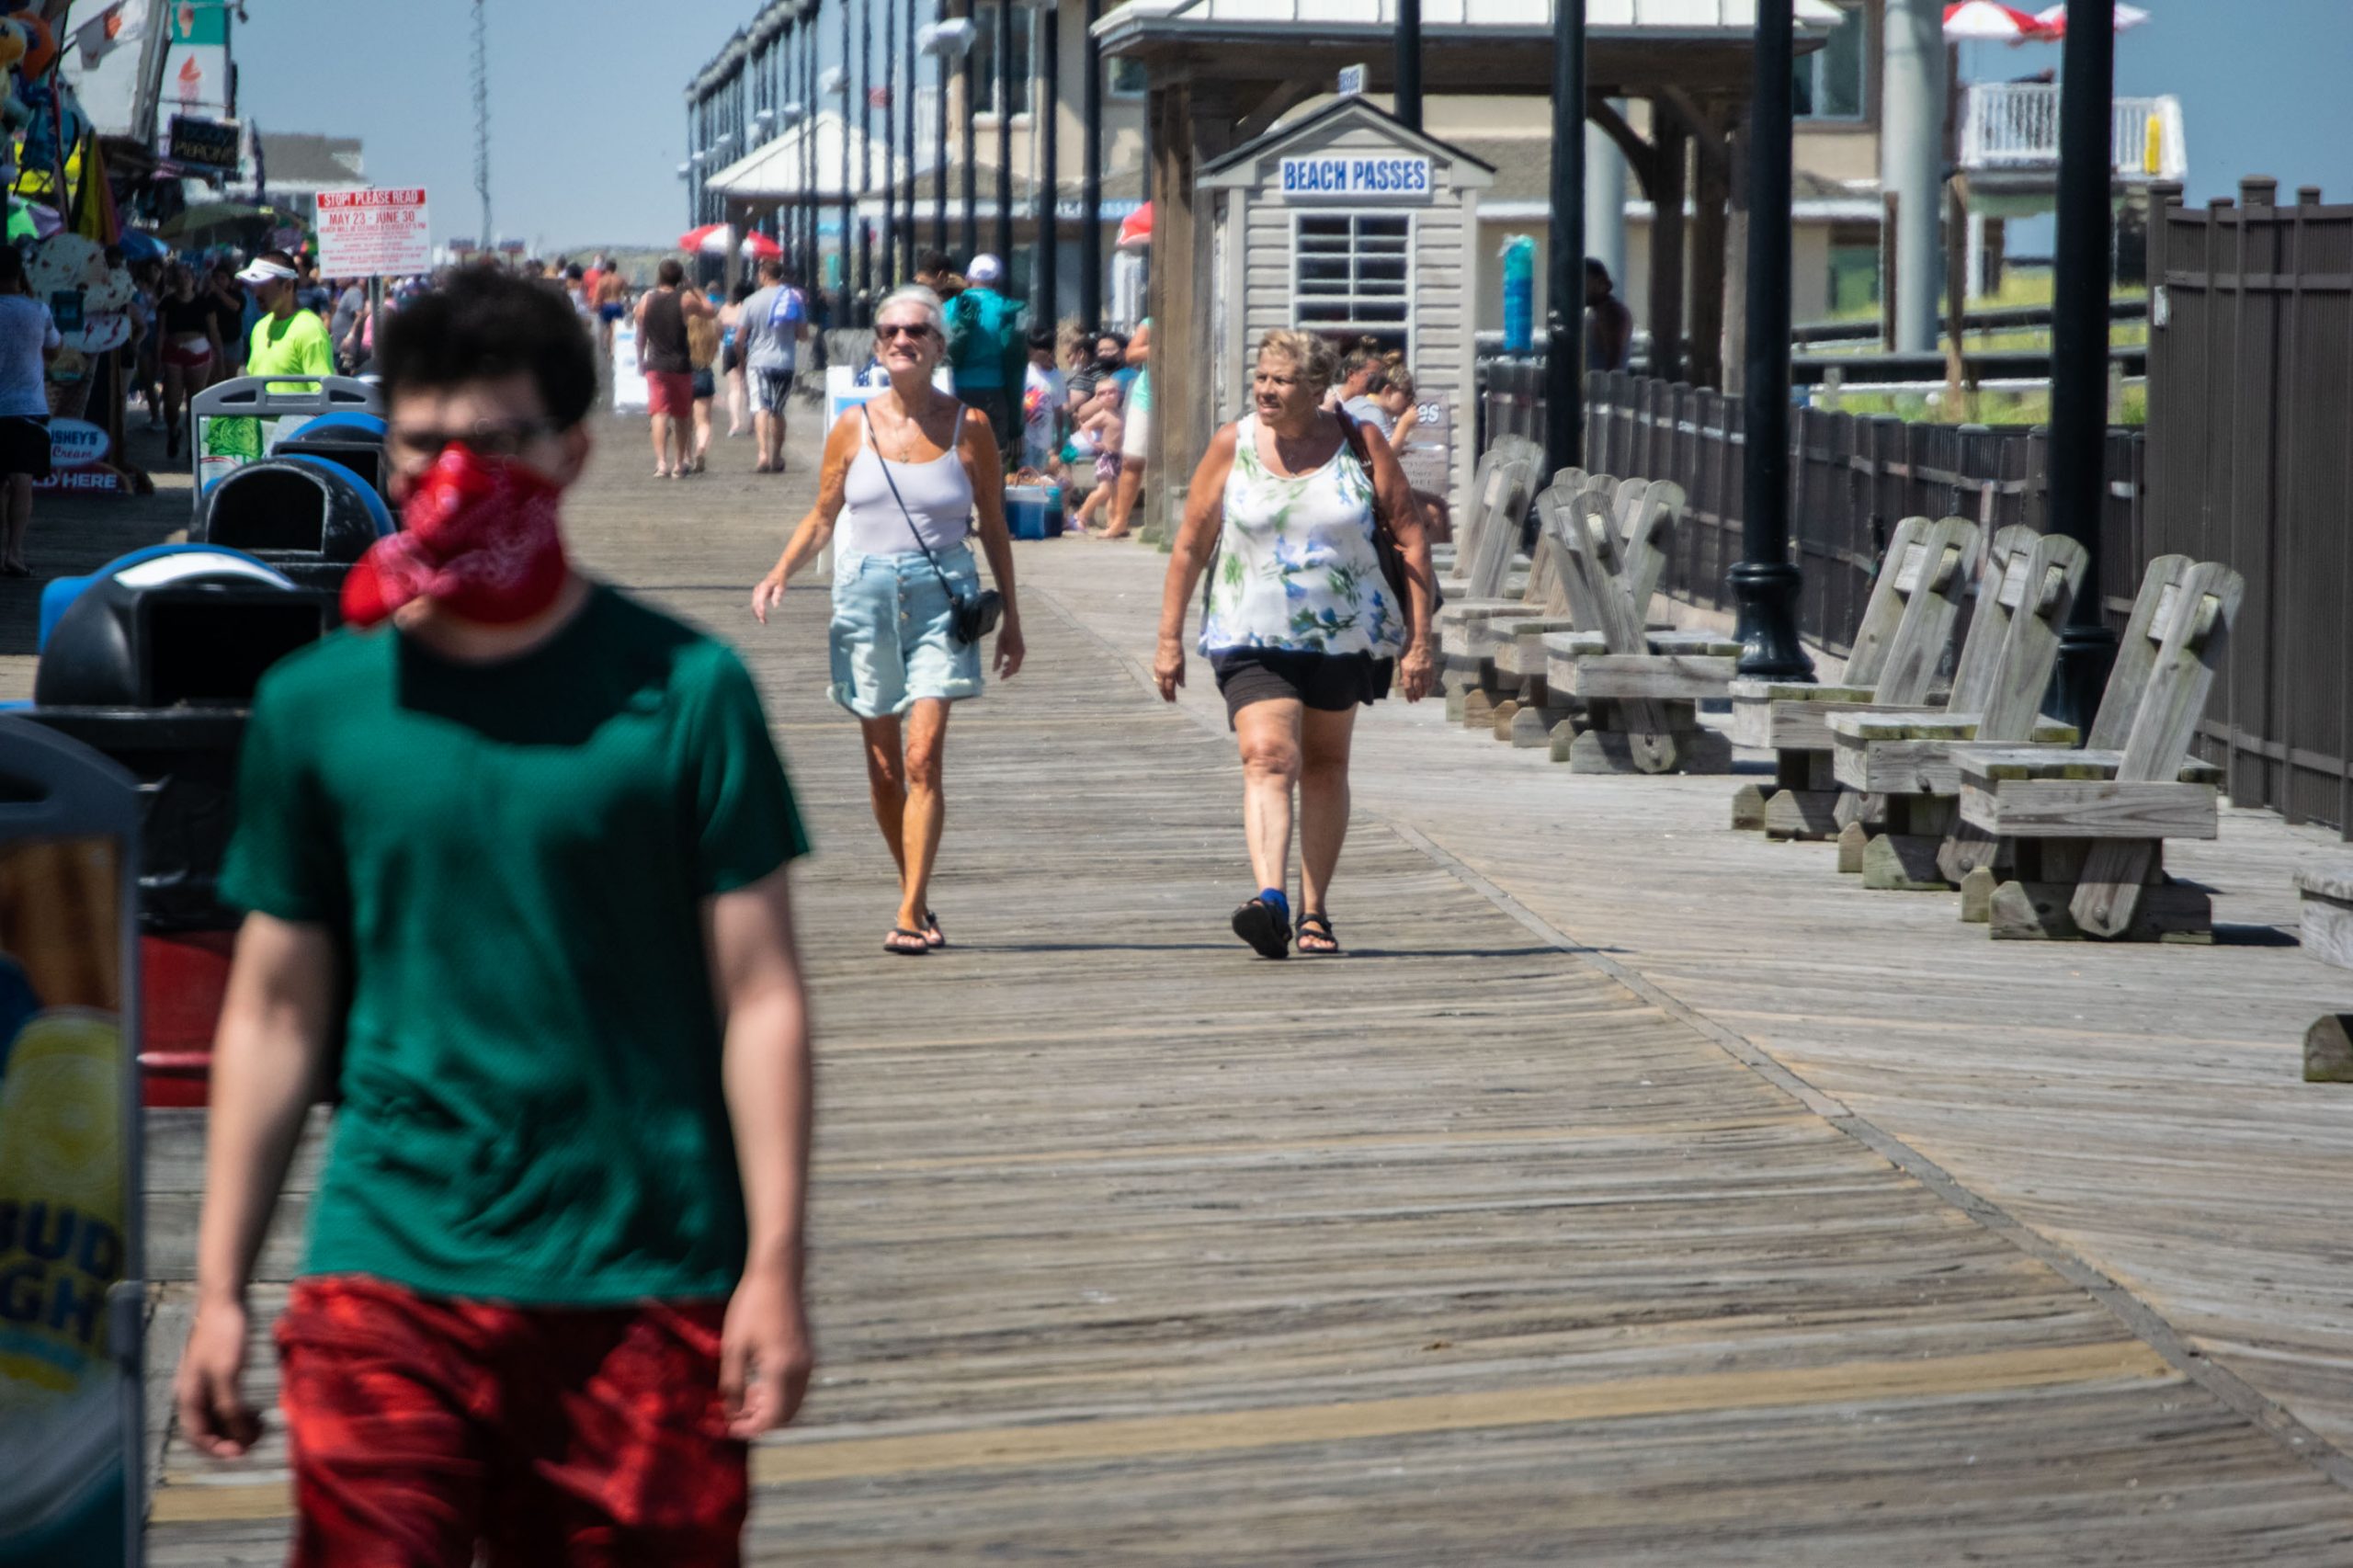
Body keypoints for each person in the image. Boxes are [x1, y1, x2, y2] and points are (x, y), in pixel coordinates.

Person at [173, 266, 816, 1566]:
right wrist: (220, 1285)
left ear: (574, 453)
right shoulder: (317, 706)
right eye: (427, 443)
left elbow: (761, 995)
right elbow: (276, 1005)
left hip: (644, 1274)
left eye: (499, 442)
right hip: (388, 1271)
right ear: (385, 455)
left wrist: (776, 1262)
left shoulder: (686, 692)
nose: (459, 473)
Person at [750, 285, 1025, 956]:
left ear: (938, 347)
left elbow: (993, 525)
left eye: (915, 332)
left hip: (944, 600)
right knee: (883, 771)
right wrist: (779, 571)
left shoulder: (972, 428)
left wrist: (1013, 617)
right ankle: (918, 894)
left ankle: (907, 914)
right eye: (890, 332)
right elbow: (824, 515)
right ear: (878, 347)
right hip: (866, 593)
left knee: (922, 757)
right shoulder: (853, 427)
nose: (902, 340)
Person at [1152, 328, 1437, 960]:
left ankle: (1315, 912)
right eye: (1260, 377)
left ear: (1316, 387)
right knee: (1268, 756)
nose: (1265, 390)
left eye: (1280, 380)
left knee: (1326, 764)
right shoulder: (1234, 444)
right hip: (1249, 632)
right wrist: (1168, 637)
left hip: (1344, 635)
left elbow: (1412, 536)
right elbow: (1193, 542)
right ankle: (1270, 899)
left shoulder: (1360, 444)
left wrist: (1420, 642)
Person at [0, 247, 58, 577]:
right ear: (19, 275)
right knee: (22, 482)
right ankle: (15, 552)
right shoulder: (38, 310)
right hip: (27, 408)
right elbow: (54, 351)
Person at [634, 257, 711, 480]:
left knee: (659, 413)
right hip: (680, 364)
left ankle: (661, 464)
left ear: (659, 276)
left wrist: (641, 359)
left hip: (656, 365)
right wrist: (694, 288)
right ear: (680, 278)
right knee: (681, 414)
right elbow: (710, 311)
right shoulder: (685, 300)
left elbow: (640, 336)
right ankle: (679, 463)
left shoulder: (646, 301)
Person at [943, 253, 1021, 461]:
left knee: (956, 456)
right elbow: (1017, 367)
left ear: (968, 278)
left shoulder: (950, 307)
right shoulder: (1010, 309)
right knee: (992, 460)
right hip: (995, 394)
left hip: (954, 392)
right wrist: (1016, 423)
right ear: (997, 280)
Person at [738, 256, 809, 475]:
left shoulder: (751, 301)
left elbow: (739, 338)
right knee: (778, 410)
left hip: (759, 361)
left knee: (761, 407)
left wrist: (741, 360)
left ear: (763, 275)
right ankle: (777, 456)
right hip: (785, 361)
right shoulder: (793, 299)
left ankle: (762, 454)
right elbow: (803, 335)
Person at [238, 251, 335, 391]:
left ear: (288, 286)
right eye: (254, 284)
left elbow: (324, 395)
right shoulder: (260, 328)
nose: (256, 292)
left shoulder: (310, 330)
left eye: (263, 285)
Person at [156, 263, 223, 460]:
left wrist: (218, 359)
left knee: (195, 401)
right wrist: (157, 357)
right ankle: (173, 430)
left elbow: (214, 332)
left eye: (187, 276)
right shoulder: (166, 303)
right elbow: (160, 332)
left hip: (199, 350)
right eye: (180, 277)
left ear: (193, 280)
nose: (183, 280)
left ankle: (194, 445)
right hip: (173, 351)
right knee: (172, 402)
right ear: (174, 281)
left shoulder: (204, 303)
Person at [1097, 316, 1151, 540]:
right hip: (1147, 397)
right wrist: (1164, 343)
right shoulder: (1151, 323)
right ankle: (1120, 522)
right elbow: (1131, 355)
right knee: (1131, 460)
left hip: (1181, 396)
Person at [687, 288, 724, 474]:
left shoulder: (684, 325)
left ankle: (685, 456)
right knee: (703, 421)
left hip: (685, 373)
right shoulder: (713, 325)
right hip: (704, 371)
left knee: (683, 420)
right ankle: (700, 448)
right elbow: (719, 343)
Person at [1018, 325, 1063, 475]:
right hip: (1025, 437)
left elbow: (1058, 409)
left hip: (1045, 440)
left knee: (1042, 477)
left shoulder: (1056, 376)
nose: (1030, 353)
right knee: (1026, 474)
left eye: (1035, 349)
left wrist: (1059, 438)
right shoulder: (1023, 370)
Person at [719, 280, 754, 439]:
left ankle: (735, 421)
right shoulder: (749, 308)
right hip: (748, 347)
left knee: (734, 387)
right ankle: (752, 423)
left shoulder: (725, 308)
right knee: (749, 386)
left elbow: (718, 329)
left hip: (728, 347)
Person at [1586, 257, 1633, 373]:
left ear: (1600, 283)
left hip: (1602, 385)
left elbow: (1614, 358)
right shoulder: (1594, 312)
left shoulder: (1610, 311)